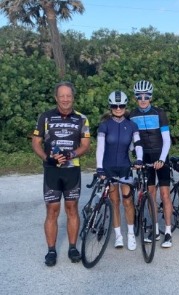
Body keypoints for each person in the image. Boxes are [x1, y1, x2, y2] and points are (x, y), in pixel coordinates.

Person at [32, 81, 90, 267]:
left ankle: (72, 247)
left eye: (68, 96)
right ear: (56, 97)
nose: (65, 99)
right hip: (51, 170)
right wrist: (46, 158)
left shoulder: (82, 119)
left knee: (72, 208)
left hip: (72, 170)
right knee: (52, 210)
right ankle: (51, 250)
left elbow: (85, 145)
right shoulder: (45, 117)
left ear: (73, 97)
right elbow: (36, 142)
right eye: (62, 96)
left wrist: (71, 154)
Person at [96, 90, 143, 251]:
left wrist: (139, 159)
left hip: (124, 167)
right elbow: (100, 149)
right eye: (115, 106)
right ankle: (118, 236)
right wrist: (99, 168)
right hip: (108, 168)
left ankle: (130, 234)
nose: (118, 108)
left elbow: (138, 145)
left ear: (125, 106)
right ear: (110, 107)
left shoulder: (131, 125)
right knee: (114, 202)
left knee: (128, 201)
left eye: (121, 105)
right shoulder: (104, 125)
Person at [129, 80, 173, 248]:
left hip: (160, 155)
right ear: (135, 98)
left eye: (146, 96)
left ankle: (168, 232)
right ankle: (154, 229)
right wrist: (135, 156)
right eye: (139, 96)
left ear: (151, 96)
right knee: (150, 194)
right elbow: (132, 140)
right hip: (144, 157)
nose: (143, 99)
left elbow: (167, 140)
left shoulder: (159, 113)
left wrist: (162, 159)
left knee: (165, 195)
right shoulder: (132, 115)